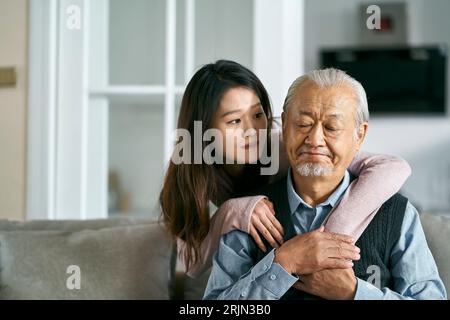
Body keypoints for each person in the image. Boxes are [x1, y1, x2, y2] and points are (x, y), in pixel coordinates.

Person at [203, 68, 446, 300]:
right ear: (285, 125)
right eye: (303, 124)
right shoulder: (250, 218)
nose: (315, 139)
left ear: (359, 135)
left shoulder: (398, 214)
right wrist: (282, 263)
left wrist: (353, 293)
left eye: (331, 127)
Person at [159, 60, 411, 278]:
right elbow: (191, 265)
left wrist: (331, 236)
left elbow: (393, 167)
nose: (253, 131)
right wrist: (230, 212)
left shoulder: (284, 142)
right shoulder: (188, 170)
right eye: (235, 120)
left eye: (258, 115)